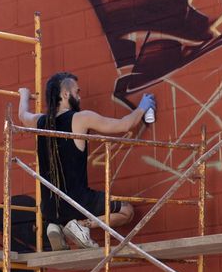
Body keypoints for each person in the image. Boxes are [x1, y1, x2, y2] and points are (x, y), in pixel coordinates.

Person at [17, 72, 154, 251]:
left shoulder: (39, 121)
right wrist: (143, 107)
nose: (79, 96)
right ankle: (81, 224)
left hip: (50, 209)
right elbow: (123, 125)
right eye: (77, 91)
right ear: (65, 94)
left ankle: (56, 226)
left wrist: (24, 95)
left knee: (63, 211)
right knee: (126, 211)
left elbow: (22, 115)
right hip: (77, 201)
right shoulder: (80, 118)